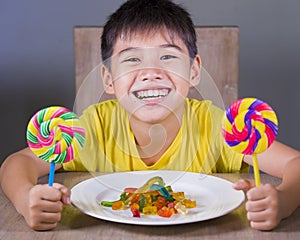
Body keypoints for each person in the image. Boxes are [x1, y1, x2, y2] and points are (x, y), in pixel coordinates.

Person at [0, 0, 299, 232]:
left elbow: (295, 164)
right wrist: (27, 198)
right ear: (108, 79)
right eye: (131, 60)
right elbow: (18, 162)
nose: (150, 73)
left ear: (194, 70)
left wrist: (284, 200)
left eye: (168, 57)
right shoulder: (92, 125)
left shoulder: (221, 125)